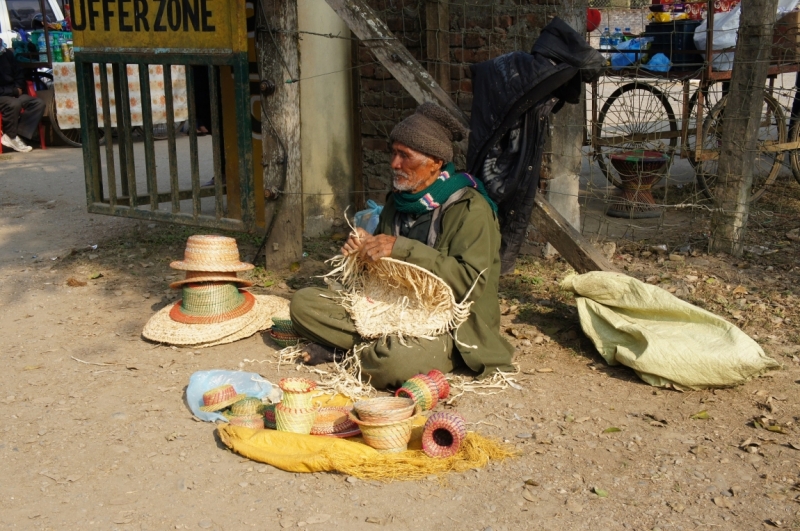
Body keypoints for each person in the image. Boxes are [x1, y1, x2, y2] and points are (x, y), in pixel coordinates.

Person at [290, 102, 514, 389]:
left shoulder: (470, 209)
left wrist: (402, 248)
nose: (394, 164)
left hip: (447, 324)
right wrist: (361, 253)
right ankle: (368, 350)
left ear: (434, 162)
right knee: (302, 305)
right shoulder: (397, 202)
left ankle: (353, 351)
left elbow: (469, 283)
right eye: (393, 153)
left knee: (392, 364)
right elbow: (378, 276)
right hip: (392, 309)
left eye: (405, 156)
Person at [0, 38, 44, 153]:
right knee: (14, 104)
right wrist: (13, 92)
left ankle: (19, 135)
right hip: (4, 95)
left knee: (38, 103)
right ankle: (11, 136)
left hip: (15, 92)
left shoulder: (7, 54)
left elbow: (19, 73)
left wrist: (19, 88)